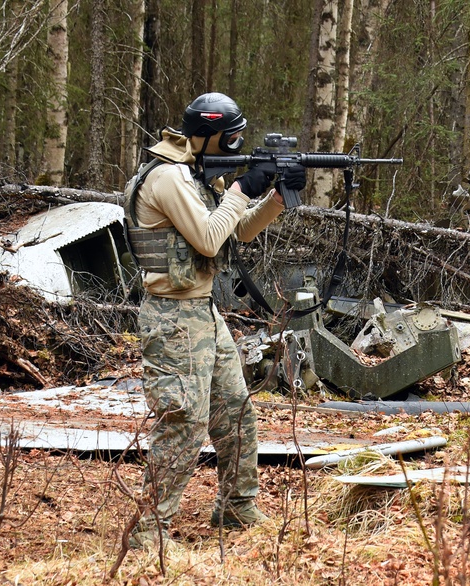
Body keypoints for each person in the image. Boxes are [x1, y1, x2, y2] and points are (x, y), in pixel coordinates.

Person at [122, 92, 306, 549]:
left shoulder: (197, 174)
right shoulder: (167, 178)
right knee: (185, 420)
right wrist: (245, 187)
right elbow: (207, 239)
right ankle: (149, 531)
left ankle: (237, 506)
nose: (234, 146)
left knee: (236, 410)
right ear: (207, 137)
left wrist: (277, 196)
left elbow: (237, 230)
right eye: (231, 139)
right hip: (173, 318)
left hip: (203, 313)